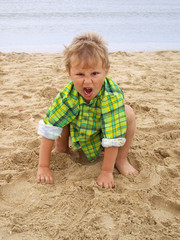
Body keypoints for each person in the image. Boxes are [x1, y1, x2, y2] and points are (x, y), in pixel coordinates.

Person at [37, 32, 138, 188]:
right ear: (69, 72)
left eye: (95, 73)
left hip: (105, 133)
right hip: (81, 131)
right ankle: (62, 148)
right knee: (62, 113)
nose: (87, 80)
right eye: (80, 74)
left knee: (128, 112)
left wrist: (106, 171)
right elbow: (50, 128)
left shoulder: (111, 96)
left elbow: (113, 135)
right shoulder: (67, 96)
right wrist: (43, 167)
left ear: (106, 70)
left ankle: (121, 159)